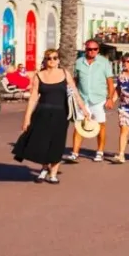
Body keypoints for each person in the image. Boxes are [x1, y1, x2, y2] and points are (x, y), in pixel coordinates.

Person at [13, 49, 88, 183]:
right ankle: (44, 168)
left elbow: (75, 93)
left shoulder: (65, 74)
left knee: (57, 144)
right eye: (49, 58)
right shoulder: (39, 76)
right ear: (45, 60)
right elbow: (33, 98)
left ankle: (53, 173)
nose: (52, 60)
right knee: (42, 143)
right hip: (42, 113)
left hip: (61, 114)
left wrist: (84, 110)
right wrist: (27, 118)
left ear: (58, 60)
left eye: (54, 58)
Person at [65, 40, 116, 163]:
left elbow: (110, 82)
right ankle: (75, 152)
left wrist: (110, 98)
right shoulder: (78, 63)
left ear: (98, 50)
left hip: (99, 99)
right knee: (79, 125)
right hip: (83, 99)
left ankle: (99, 152)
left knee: (100, 126)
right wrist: (72, 95)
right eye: (89, 49)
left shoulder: (104, 62)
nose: (92, 51)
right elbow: (75, 80)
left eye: (95, 49)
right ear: (85, 49)